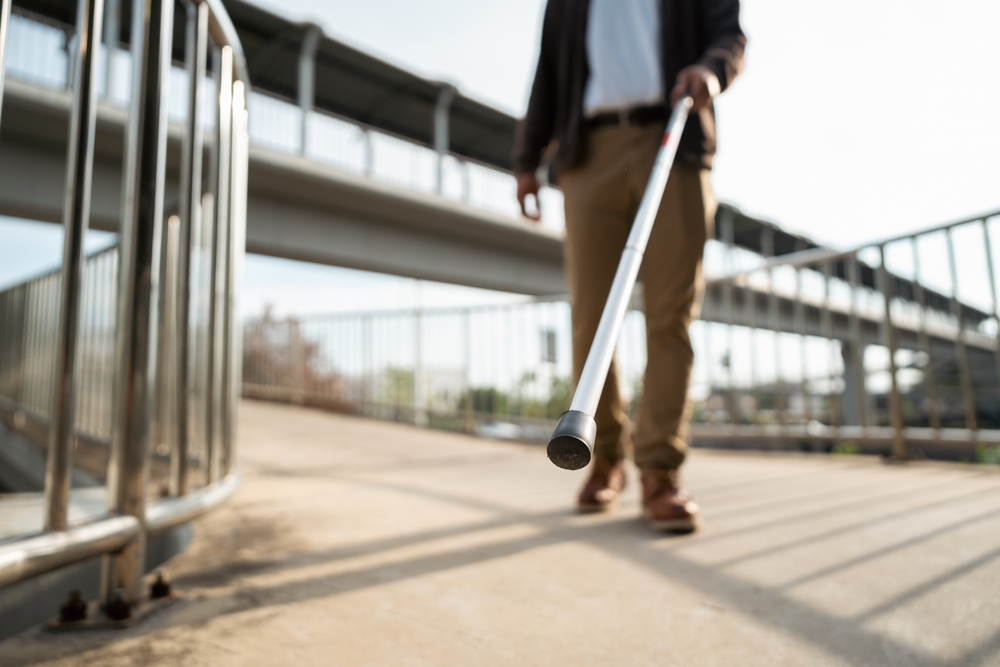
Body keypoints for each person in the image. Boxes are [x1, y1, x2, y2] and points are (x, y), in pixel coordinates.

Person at [513, 0, 745, 532]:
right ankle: (604, 457)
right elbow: (547, 71)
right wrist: (526, 160)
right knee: (591, 317)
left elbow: (728, 35)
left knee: (670, 315)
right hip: (587, 152)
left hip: (672, 137)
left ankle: (660, 471)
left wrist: (711, 70)